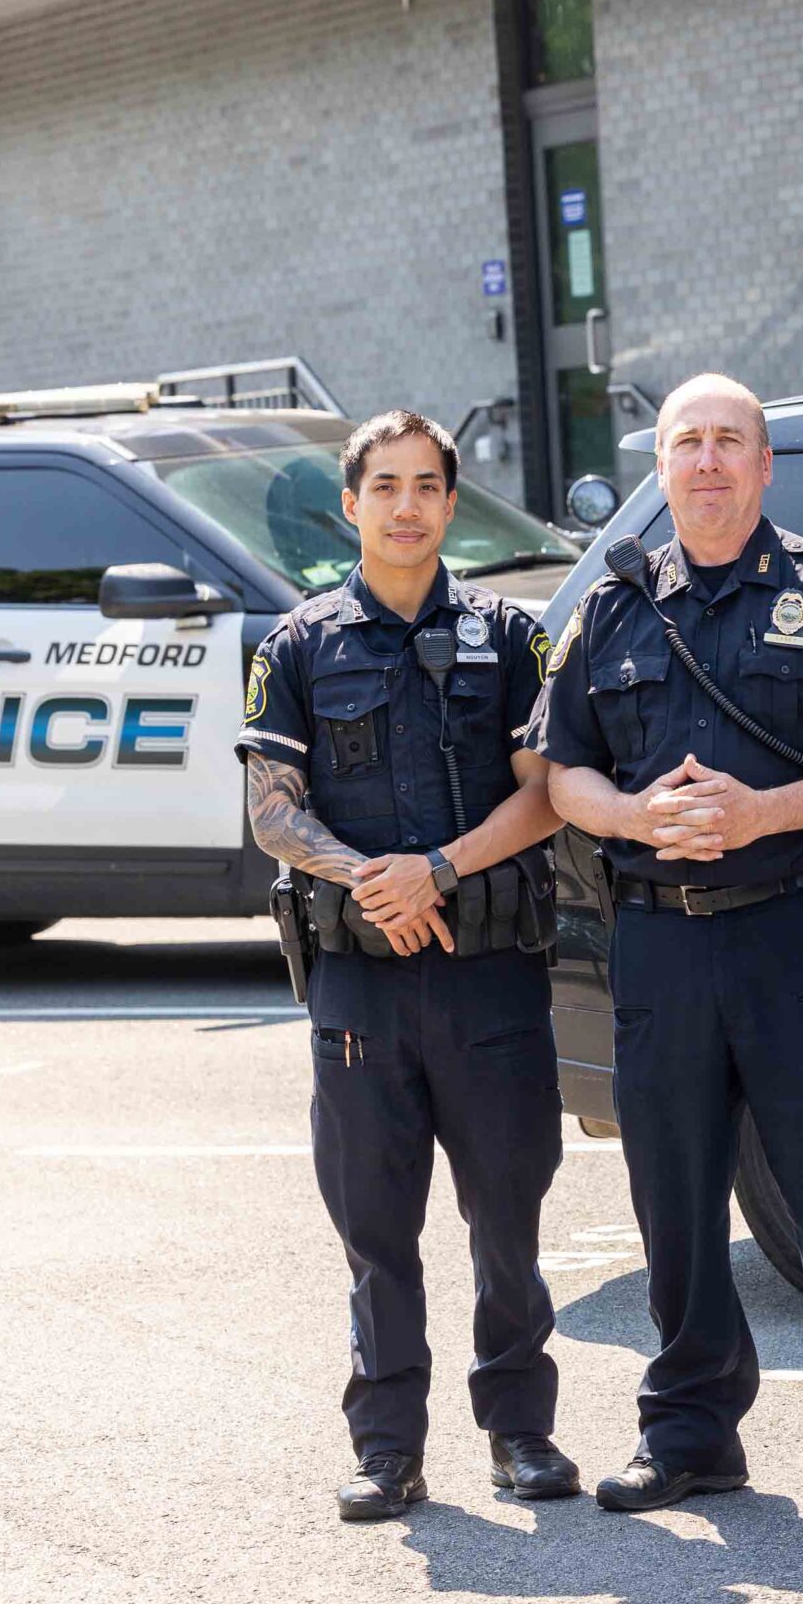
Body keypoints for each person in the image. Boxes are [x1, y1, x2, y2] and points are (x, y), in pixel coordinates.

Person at [528, 372, 803, 1514]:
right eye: (688, 444)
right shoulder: (612, 609)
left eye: (731, 442)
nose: (709, 462)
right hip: (660, 945)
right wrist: (628, 815)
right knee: (673, 1201)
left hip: (798, 930)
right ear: (660, 469)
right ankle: (689, 1433)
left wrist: (763, 811)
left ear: (766, 466)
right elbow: (558, 766)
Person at [240, 409, 577, 1521]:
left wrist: (436, 865)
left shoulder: (511, 638)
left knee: (508, 1219)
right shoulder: (295, 646)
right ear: (351, 504)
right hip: (361, 981)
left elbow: (547, 795)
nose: (406, 505)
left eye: (427, 485)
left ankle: (521, 1432)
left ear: (448, 500)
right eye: (384, 486)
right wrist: (370, 876)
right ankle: (387, 1447)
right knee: (376, 1230)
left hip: (488, 972)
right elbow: (272, 811)